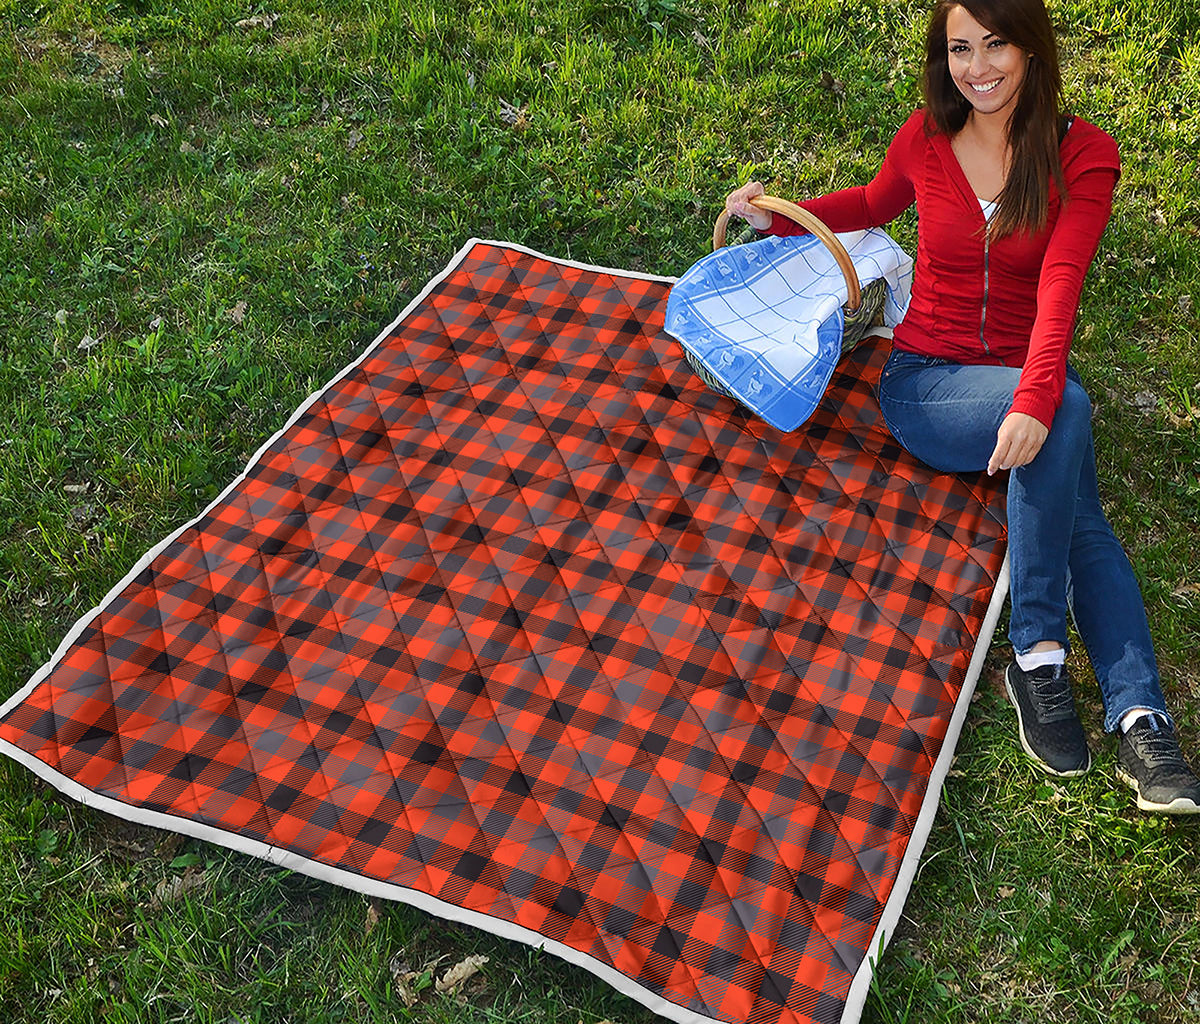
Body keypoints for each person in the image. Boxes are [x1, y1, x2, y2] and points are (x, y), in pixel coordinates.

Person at [724, 0, 1200, 814]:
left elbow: (1061, 284)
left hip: (1020, 379)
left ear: (1031, 49)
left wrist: (1037, 396)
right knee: (1069, 419)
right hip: (926, 384)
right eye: (959, 49)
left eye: (996, 45)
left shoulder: (1083, 156)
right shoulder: (925, 137)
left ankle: (1136, 715)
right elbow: (872, 205)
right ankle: (1043, 653)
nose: (977, 67)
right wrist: (779, 221)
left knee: (1075, 480)